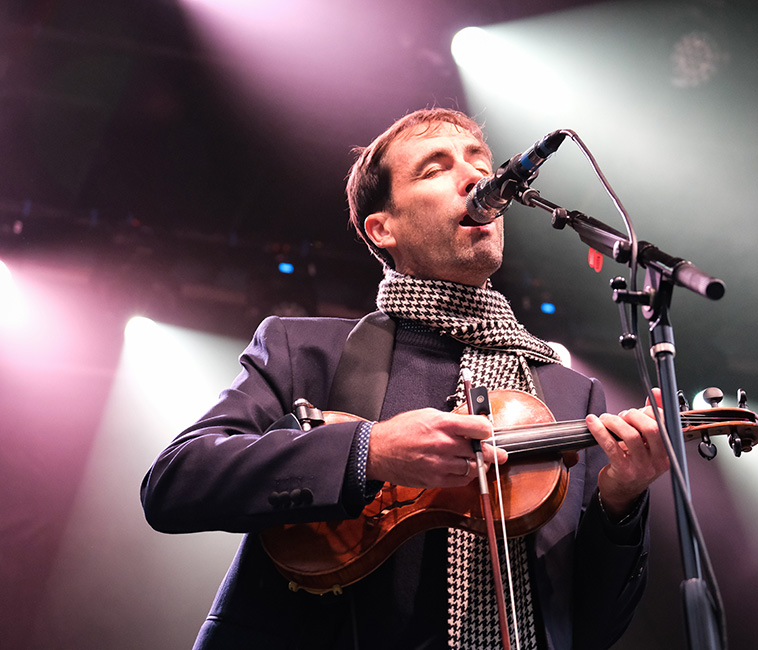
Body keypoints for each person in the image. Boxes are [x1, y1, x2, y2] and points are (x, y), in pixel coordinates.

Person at [141, 108, 670, 650]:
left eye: (478, 162)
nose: (474, 178)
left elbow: (591, 628)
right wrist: (368, 451)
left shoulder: (568, 392)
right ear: (382, 227)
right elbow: (174, 484)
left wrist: (620, 503)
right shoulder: (304, 349)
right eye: (435, 168)